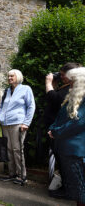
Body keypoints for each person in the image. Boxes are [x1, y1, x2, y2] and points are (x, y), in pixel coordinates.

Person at [48, 67, 85, 206]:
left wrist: (57, 131)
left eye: (73, 80)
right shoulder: (72, 97)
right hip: (67, 149)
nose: (69, 83)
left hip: (78, 150)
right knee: (76, 190)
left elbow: (79, 122)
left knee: (81, 190)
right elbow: (61, 116)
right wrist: (53, 128)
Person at [0, 69, 35, 184]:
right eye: (8, 76)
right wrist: (0, 117)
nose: (9, 78)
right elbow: (3, 105)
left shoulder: (25, 89)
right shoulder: (7, 90)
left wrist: (26, 123)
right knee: (9, 149)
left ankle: (21, 176)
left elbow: (31, 106)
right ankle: (12, 173)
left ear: (18, 77)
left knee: (17, 149)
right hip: (5, 123)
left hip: (18, 123)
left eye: (12, 76)